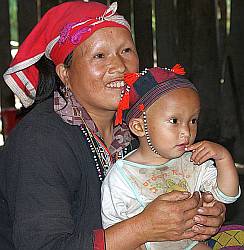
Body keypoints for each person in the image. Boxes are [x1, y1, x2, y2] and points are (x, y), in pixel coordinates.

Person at [1, 1, 226, 249]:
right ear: (65, 73)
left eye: (126, 51)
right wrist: (143, 228)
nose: (120, 66)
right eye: (99, 55)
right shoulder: (38, 142)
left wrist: (203, 213)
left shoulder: (143, 128)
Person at [101, 66, 241, 250]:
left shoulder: (193, 160)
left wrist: (223, 158)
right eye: (174, 121)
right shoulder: (123, 177)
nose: (186, 131)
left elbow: (227, 195)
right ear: (139, 127)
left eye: (193, 121)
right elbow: (115, 232)